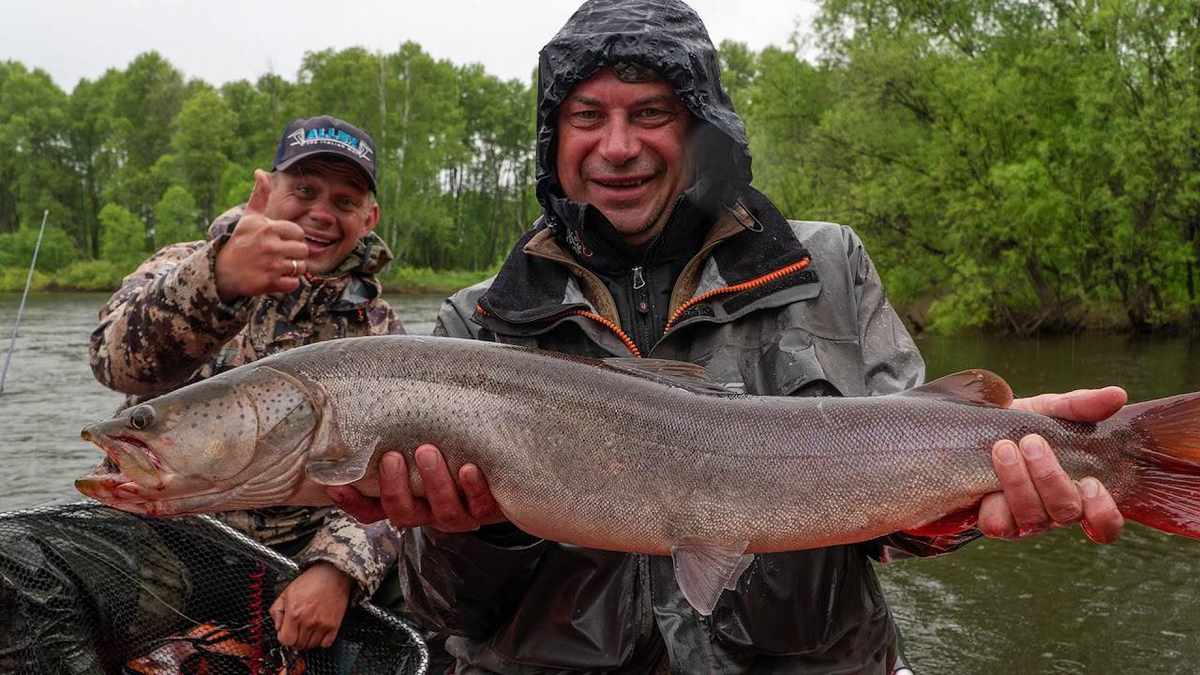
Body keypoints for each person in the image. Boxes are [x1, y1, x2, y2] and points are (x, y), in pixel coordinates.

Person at [332, 2, 1126, 673]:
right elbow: (449, 607)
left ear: (699, 127)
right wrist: (478, 530)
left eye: (650, 114)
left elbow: (899, 533)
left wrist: (988, 473)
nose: (617, 146)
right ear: (555, 137)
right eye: (587, 117)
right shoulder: (477, 325)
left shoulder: (828, 264)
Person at [89, 115, 403, 652]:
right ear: (269, 188)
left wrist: (338, 568)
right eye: (304, 190)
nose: (322, 213)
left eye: (345, 202)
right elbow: (114, 363)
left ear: (369, 217)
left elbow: (401, 484)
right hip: (156, 532)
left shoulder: (381, 330)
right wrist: (221, 281)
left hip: (296, 556)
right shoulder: (183, 265)